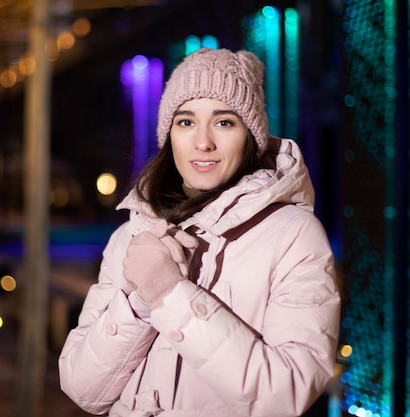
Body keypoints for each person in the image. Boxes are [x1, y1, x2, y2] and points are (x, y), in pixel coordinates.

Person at [59, 48, 341, 417]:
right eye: (186, 122)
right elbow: (83, 389)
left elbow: (286, 394)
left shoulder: (293, 235)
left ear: (251, 136)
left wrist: (170, 295)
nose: (202, 142)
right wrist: (138, 305)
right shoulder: (133, 236)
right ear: (169, 134)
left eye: (224, 122)